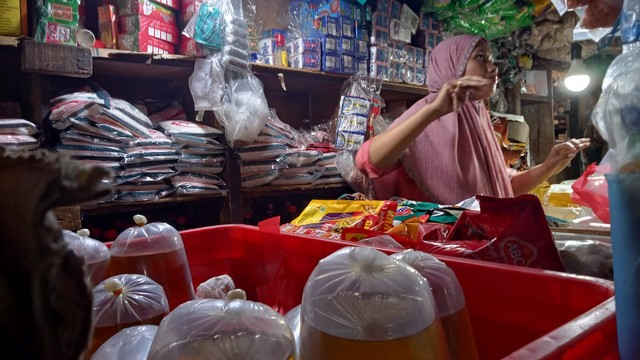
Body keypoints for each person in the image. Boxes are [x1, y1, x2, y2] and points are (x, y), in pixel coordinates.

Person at [355, 34, 590, 205]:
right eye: (481, 58)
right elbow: (367, 161)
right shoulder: (428, 110)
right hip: (437, 253)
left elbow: (500, 190)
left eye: (491, 60)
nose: (492, 68)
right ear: (453, 67)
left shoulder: (477, 119)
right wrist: (434, 111)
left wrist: (548, 166)